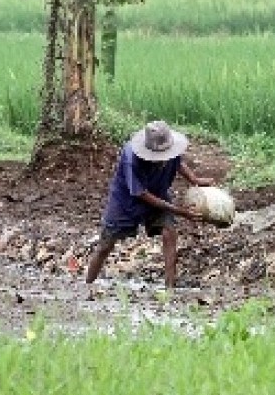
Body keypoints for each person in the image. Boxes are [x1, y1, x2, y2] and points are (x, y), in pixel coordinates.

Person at [85, 120, 215, 288]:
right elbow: (141, 194)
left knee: (170, 232)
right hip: (126, 201)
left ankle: (170, 288)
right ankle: (88, 285)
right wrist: (180, 211)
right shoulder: (131, 158)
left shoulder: (170, 149)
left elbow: (177, 162)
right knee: (106, 245)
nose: (163, 160)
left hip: (158, 193)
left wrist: (194, 179)